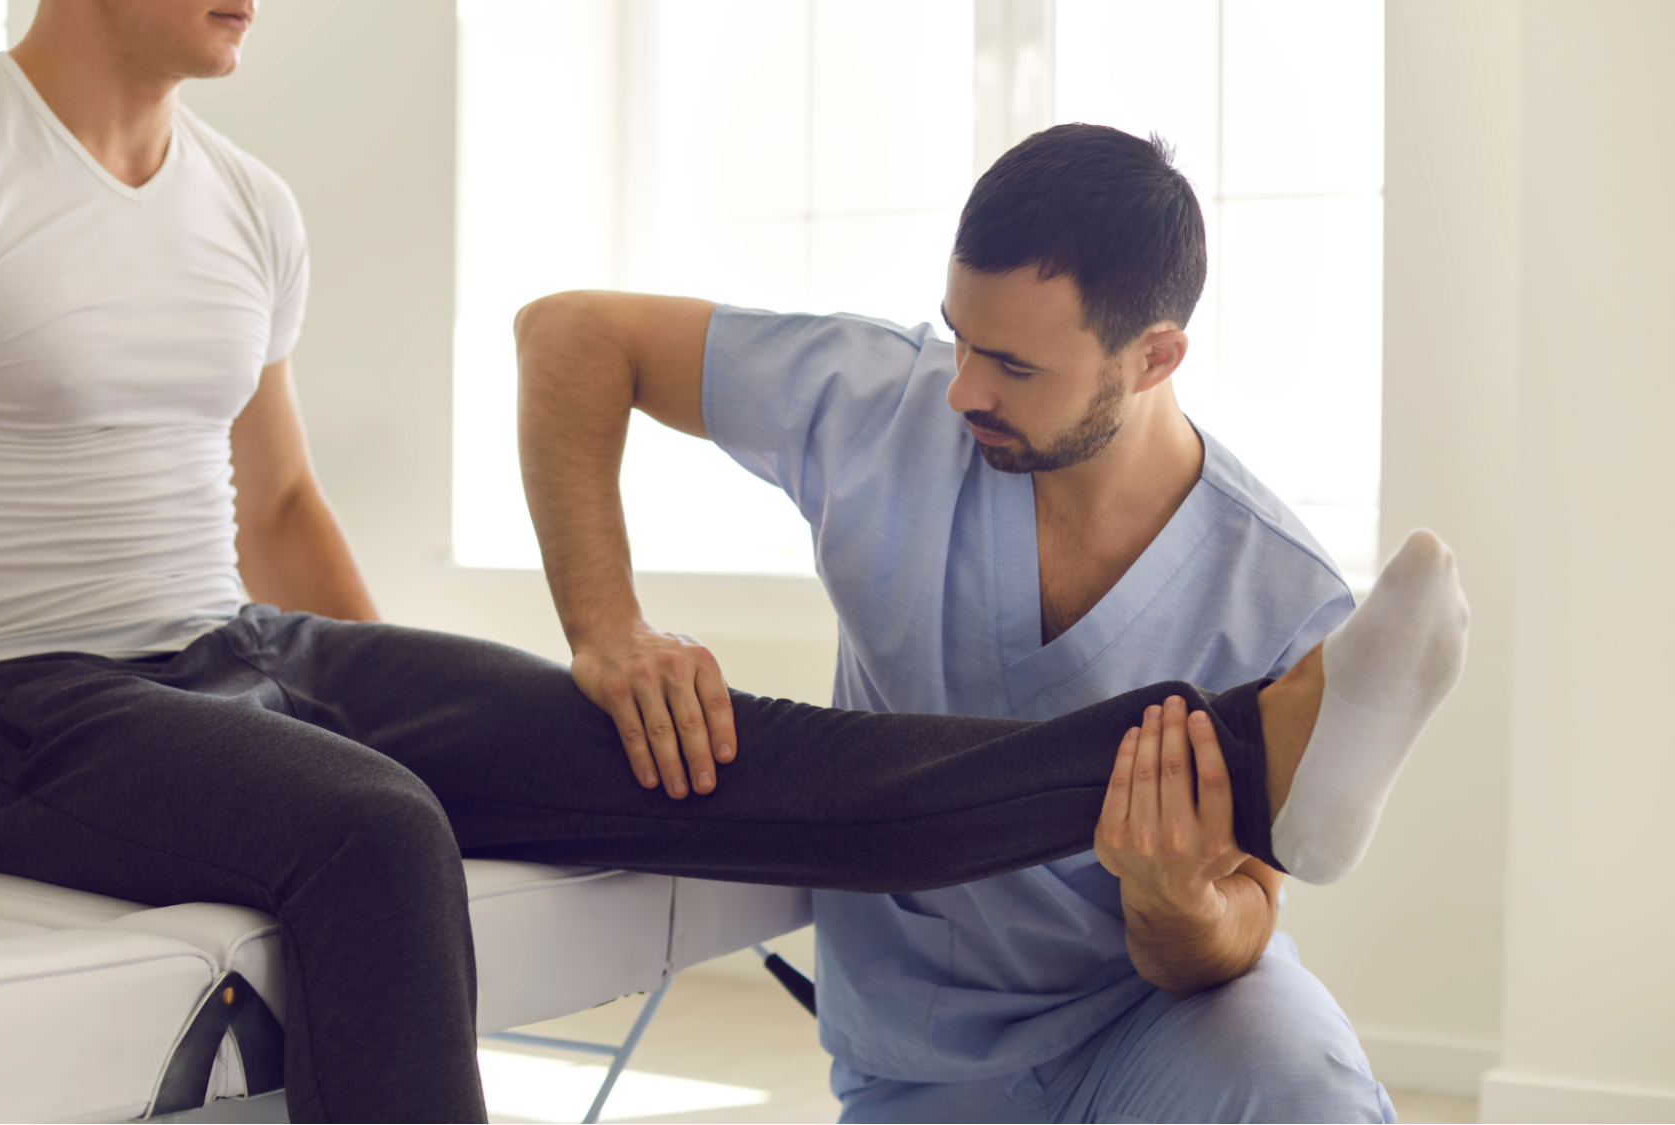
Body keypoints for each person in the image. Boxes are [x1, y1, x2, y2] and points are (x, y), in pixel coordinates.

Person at [0, 1, 1464, 1120]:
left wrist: (380, 714)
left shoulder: (245, 207)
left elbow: (281, 510)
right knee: (367, 832)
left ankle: (1251, 758)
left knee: (677, 743)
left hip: (235, 641)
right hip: (8, 703)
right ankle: (1252, 745)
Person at [514, 124, 1467, 1122]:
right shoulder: (880, 403)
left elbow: (1232, 937)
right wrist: (606, 625)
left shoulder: (1274, 591)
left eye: (1012, 365)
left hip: (1157, 1022)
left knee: (1307, 1098)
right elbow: (568, 333)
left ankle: (1261, 748)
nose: (962, 387)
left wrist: (1173, 898)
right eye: (958, 336)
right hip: (923, 1059)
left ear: (1153, 358)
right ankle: (1254, 738)